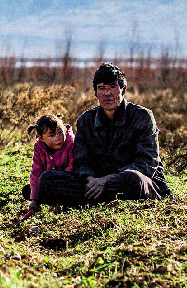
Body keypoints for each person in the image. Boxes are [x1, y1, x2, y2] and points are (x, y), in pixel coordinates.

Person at [36, 63, 170, 207]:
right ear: (95, 93)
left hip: (132, 181)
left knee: (133, 179)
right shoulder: (86, 121)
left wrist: (106, 180)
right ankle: (97, 198)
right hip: (95, 183)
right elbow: (81, 161)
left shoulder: (142, 117)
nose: (107, 93)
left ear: (123, 89)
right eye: (102, 88)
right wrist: (91, 180)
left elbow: (147, 163)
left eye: (112, 87)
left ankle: (86, 200)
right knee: (48, 179)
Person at [21, 114, 74, 219]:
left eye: (60, 132)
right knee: (28, 191)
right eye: (51, 135)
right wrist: (34, 200)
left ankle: (63, 203)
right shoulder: (39, 147)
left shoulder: (71, 143)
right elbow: (36, 172)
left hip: (70, 183)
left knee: (47, 176)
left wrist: (60, 196)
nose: (58, 138)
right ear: (41, 138)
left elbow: (72, 168)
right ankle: (52, 201)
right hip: (51, 183)